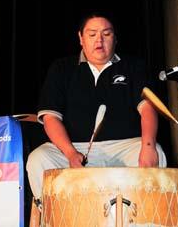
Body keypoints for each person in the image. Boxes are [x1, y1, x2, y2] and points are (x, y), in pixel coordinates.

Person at [26, 13, 167, 202]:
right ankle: (53, 219)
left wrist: (148, 145)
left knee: (156, 152)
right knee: (38, 158)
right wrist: (70, 153)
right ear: (81, 38)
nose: (99, 40)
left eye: (106, 34)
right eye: (92, 34)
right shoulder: (61, 68)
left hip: (124, 147)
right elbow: (51, 118)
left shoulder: (134, 66)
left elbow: (148, 109)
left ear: (115, 38)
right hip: (74, 147)